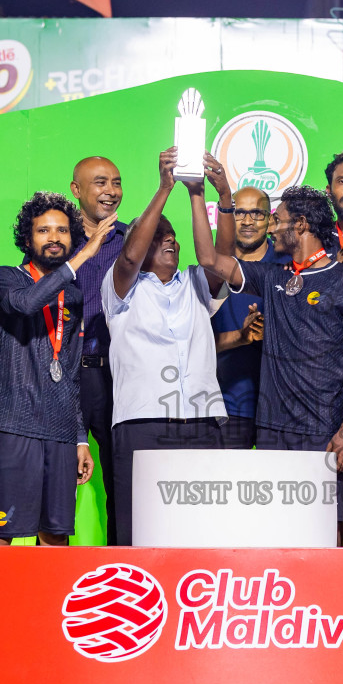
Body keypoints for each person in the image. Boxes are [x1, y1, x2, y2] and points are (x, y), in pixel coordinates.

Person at [194, 185, 343, 544]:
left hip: (323, 429)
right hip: (272, 429)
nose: (273, 228)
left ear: (302, 225)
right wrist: (198, 195)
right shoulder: (274, 277)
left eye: (278, 221)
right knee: (276, 528)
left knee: (328, 529)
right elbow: (210, 260)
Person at [101, 149, 237, 545]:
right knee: (140, 529)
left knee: (201, 531)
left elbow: (221, 258)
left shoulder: (196, 283)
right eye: (159, 237)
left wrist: (201, 194)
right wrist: (165, 188)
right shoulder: (120, 288)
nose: (171, 241)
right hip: (142, 422)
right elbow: (129, 256)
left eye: (172, 236)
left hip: (202, 420)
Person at [0, 193, 115, 546]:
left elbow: (71, 374)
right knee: (0, 537)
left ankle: (46, 604)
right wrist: (83, 258)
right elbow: (26, 304)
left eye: (62, 231)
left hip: (59, 430)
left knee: (56, 539)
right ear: (28, 239)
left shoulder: (72, 295)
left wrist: (79, 437)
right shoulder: (6, 278)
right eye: (43, 230)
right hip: (15, 425)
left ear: (71, 237)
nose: (54, 238)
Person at [69, 155, 128, 544]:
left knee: (122, 488)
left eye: (117, 182)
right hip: (67, 373)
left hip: (117, 376)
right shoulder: (56, 237)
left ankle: (124, 571)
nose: (111, 191)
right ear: (76, 190)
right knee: (59, 480)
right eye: (100, 182)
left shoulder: (131, 239)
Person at [212, 186, 285, 450]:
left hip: (281, 409)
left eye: (257, 213)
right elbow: (197, 343)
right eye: (239, 212)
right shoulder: (213, 269)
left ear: (271, 219)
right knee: (223, 488)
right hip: (227, 404)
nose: (247, 221)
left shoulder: (290, 264)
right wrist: (241, 338)